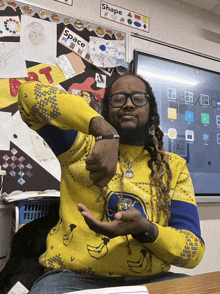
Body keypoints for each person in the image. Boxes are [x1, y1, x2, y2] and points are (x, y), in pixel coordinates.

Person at [18, 73, 205, 293]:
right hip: (74, 278)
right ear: (106, 109)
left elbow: (192, 251)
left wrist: (146, 229)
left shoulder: (171, 166)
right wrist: (105, 132)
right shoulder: (79, 146)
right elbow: (27, 94)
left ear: (151, 110)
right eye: (118, 99)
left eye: (138, 98)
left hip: (150, 279)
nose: (128, 104)